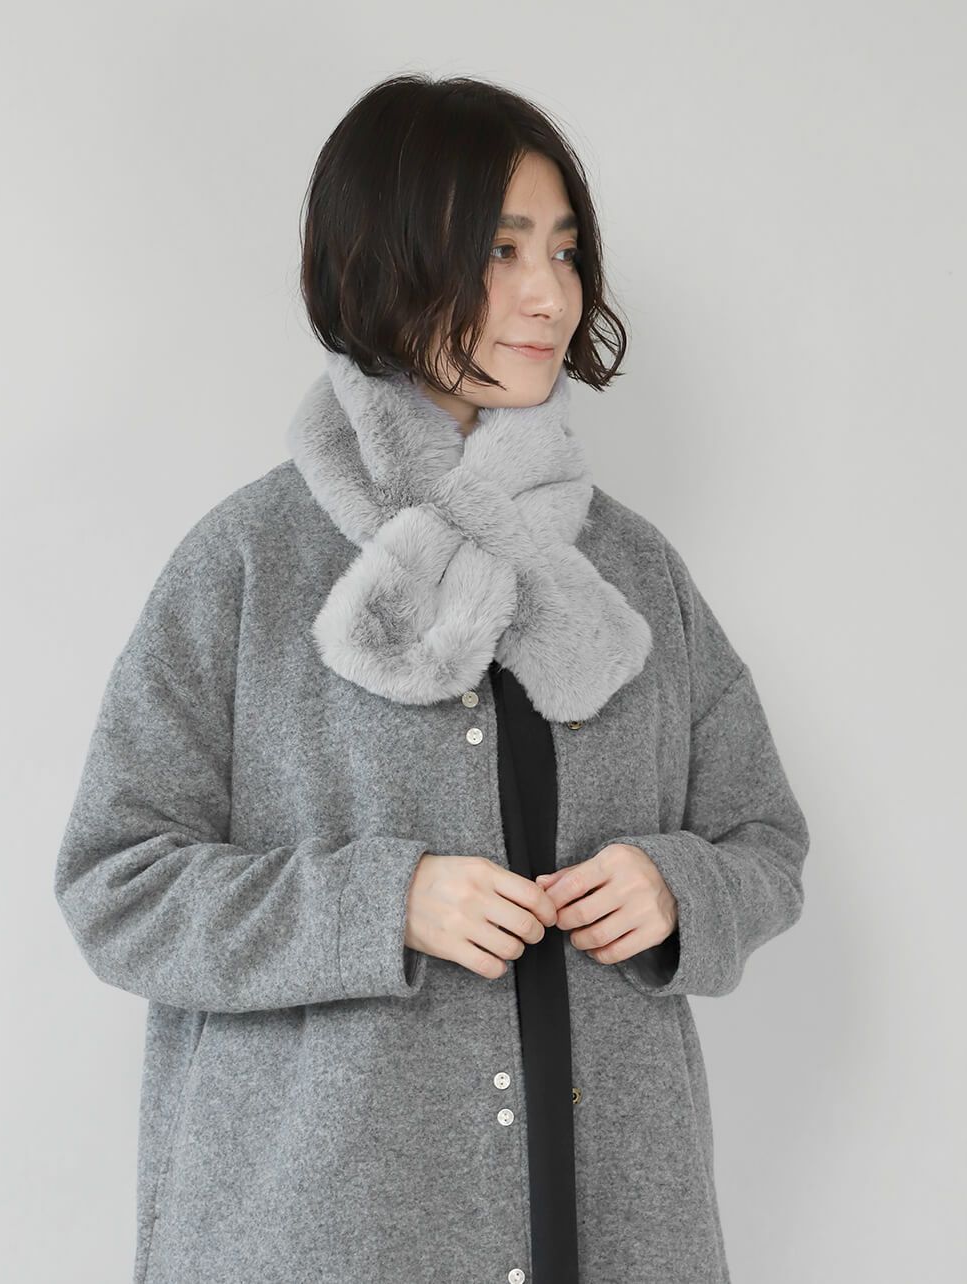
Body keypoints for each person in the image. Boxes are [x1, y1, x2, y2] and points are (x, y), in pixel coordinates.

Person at [54, 73, 810, 1284]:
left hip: (615, 1230)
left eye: (563, 250)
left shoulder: (630, 569)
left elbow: (762, 839)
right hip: (323, 1241)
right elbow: (118, 885)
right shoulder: (248, 564)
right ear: (387, 259)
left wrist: (677, 889)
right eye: (500, 251)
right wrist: (383, 905)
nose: (549, 294)